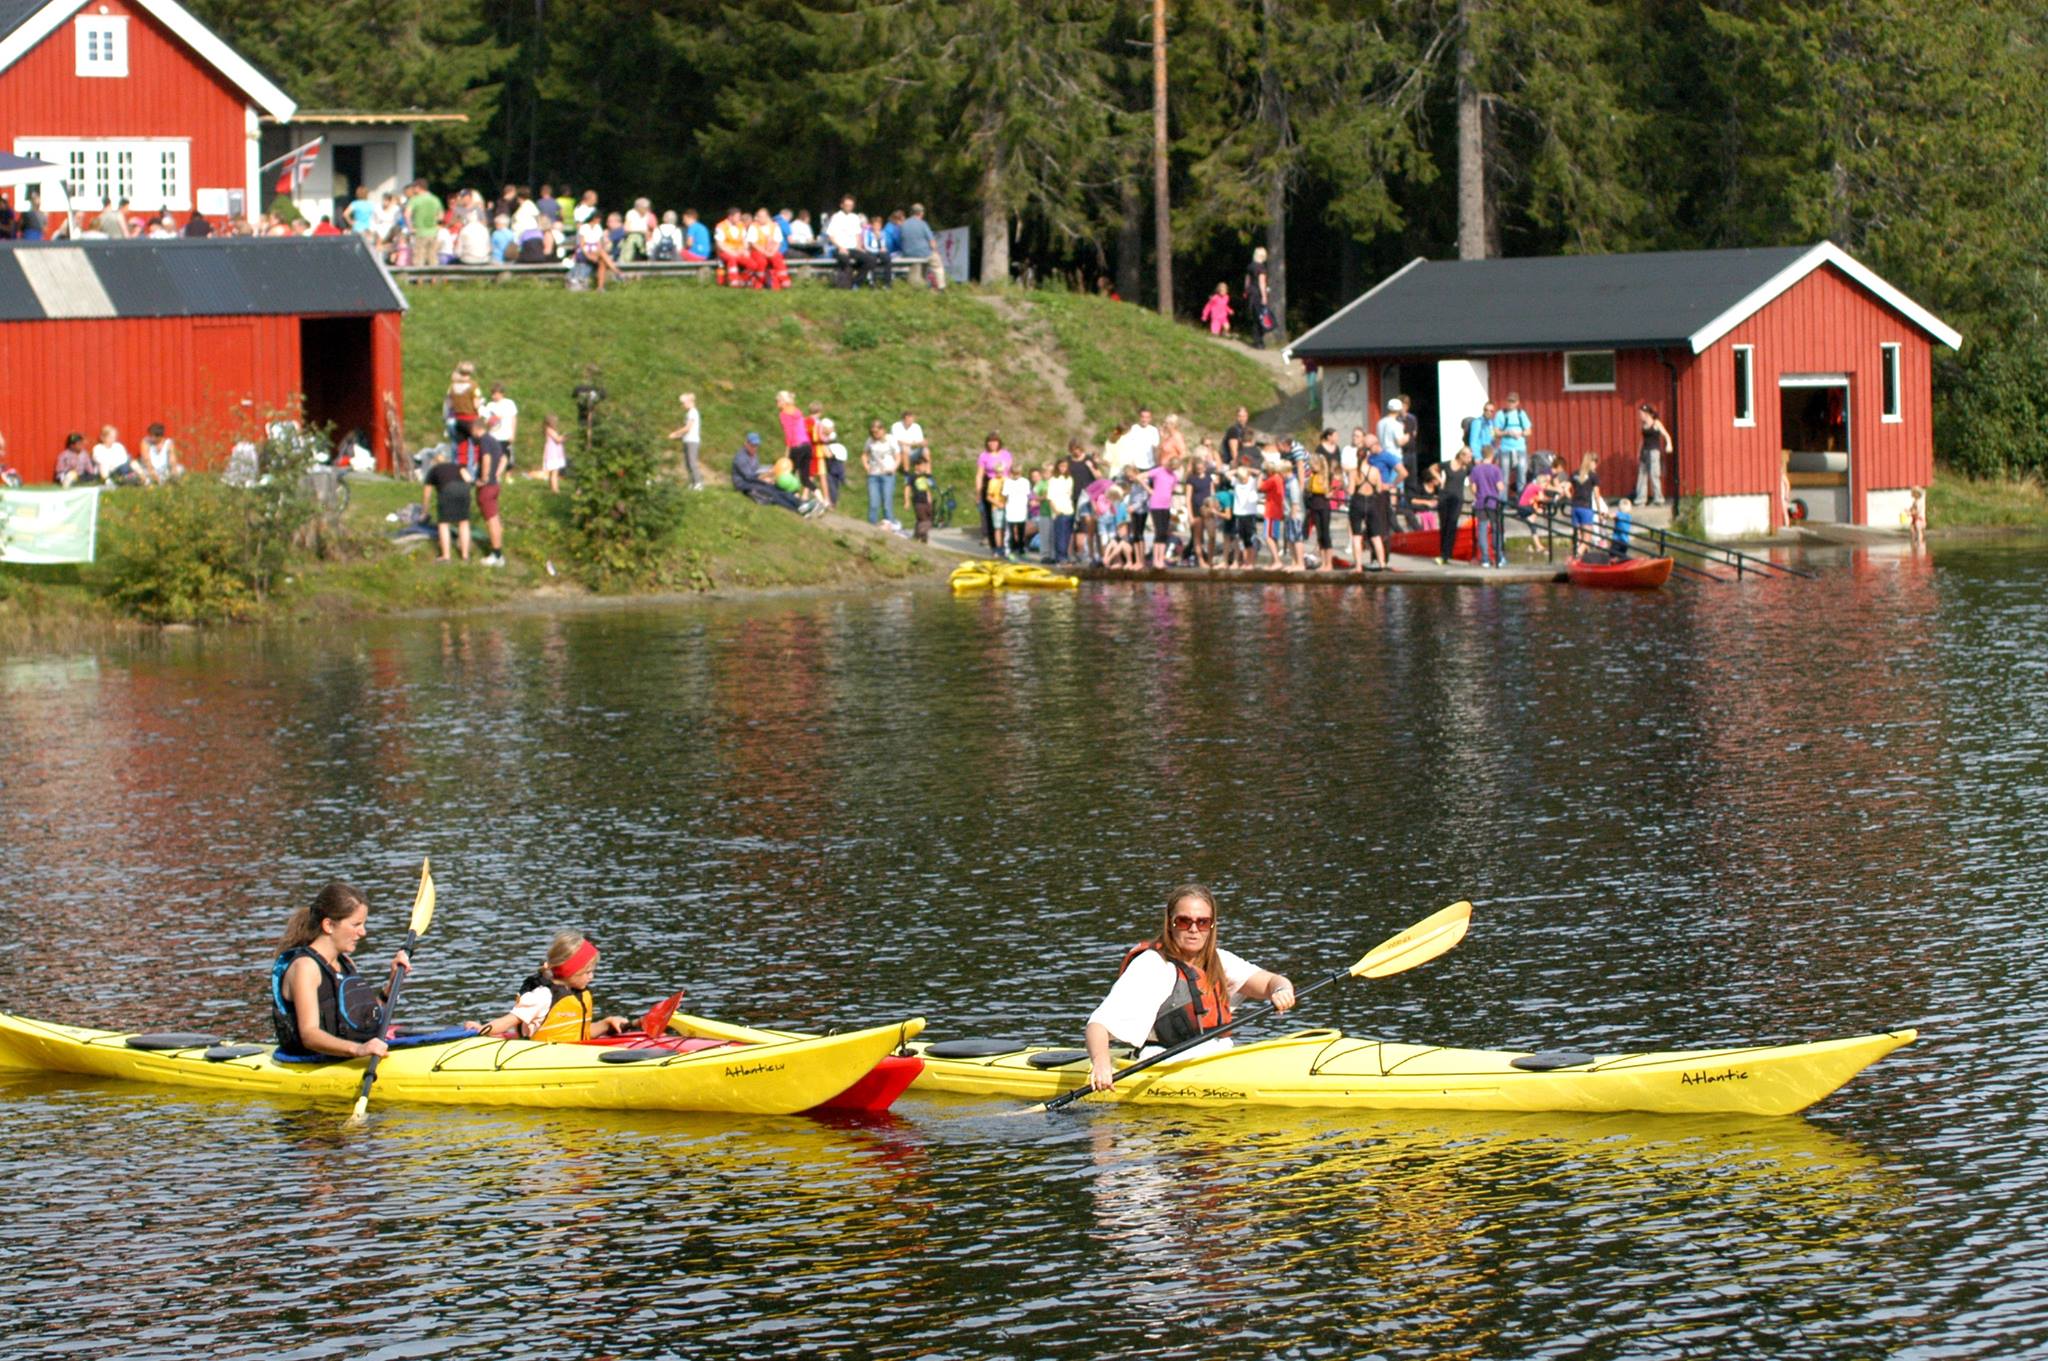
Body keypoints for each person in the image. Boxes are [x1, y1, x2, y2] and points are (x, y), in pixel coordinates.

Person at [1083, 884, 1295, 1090]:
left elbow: (1270, 982)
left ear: (1211, 926)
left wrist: (1281, 991)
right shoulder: (1152, 966)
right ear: (1169, 923)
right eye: (1184, 921)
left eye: (1203, 922)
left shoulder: (1218, 960)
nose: (1194, 929)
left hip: (1218, 1059)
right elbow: (1098, 1025)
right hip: (1165, 1066)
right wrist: (1101, 1064)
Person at [270, 881, 411, 1061]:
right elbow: (309, 1034)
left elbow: (357, 1019)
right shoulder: (305, 968)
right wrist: (358, 1049)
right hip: (312, 1062)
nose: (363, 932)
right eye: (356, 924)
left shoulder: (345, 963)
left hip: (346, 1055)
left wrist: (391, 984)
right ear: (328, 925)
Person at [480, 931, 631, 1042]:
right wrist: (481, 1030)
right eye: (588, 972)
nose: (592, 977)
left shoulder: (576, 993)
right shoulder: (543, 996)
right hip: (542, 1058)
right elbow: (508, 1021)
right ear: (570, 971)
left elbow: (578, 1033)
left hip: (572, 1054)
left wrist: (606, 1023)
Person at [732, 431, 818, 515]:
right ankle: (797, 509)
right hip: (744, 484)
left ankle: (801, 503)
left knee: (778, 488)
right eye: (753, 445)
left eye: (757, 445)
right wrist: (767, 475)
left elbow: (757, 469)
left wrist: (770, 469)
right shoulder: (740, 458)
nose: (755, 448)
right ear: (746, 443)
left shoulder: (754, 455)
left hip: (755, 480)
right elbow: (749, 477)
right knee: (772, 494)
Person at [423, 447, 473, 562]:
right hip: (464, 490)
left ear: (435, 460)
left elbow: (427, 494)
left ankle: (446, 556)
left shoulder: (433, 470)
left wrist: (424, 511)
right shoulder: (457, 467)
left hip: (447, 490)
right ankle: (465, 556)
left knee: (444, 524)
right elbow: (469, 479)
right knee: (464, 522)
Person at [974, 432, 1012, 554]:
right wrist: (978, 492)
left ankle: (1008, 544)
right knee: (991, 517)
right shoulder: (984, 456)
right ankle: (994, 545)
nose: (992, 444)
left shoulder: (1006, 454)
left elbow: (1010, 472)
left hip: (1005, 484)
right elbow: (979, 475)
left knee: (1008, 515)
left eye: (995, 441)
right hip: (991, 484)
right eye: (990, 441)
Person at [1470, 445, 1506, 568]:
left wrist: (1478, 495)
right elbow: (1500, 487)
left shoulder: (1476, 469)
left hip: (1481, 502)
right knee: (1496, 529)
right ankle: (1499, 556)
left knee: (1482, 529)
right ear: (1492, 455)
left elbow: (1473, 488)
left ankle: (1485, 559)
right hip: (1493, 503)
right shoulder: (1496, 470)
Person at [1435, 447, 1471, 564]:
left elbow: (1475, 478)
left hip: (1457, 499)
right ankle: (1443, 553)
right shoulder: (1448, 464)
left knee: (1452, 523)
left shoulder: (1467, 468)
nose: (1469, 459)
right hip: (1445, 497)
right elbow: (1433, 468)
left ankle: (1446, 554)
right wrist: (1440, 480)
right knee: (1444, 524)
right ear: (1461, 455)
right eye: (1467, 456)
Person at [863, 419, 899, 527]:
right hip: (873, 475)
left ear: (883, 430)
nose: (875, 434)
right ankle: (871, 524)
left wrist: (894, 468)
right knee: (873, 502)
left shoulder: (890, 439)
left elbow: (898, 456)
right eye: (873, 432)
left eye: (877, 432)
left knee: (887, 501)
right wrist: (867, 466)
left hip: (887, 474)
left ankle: (889, 524)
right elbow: (864, 454)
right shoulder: (870, 440)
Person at [1635, 403, 1671, 506]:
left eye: (1641, 413)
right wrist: (1639, 452)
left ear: (1646, 413)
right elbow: (1642, 440)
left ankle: (1658, 499)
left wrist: (1669, 444)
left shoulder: (1656, 423)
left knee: (1654, 474)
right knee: (1642, 475)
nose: (1640, 416)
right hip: (1645, 451)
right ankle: (1641, 499)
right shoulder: (1643, 425)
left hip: (1654, 451)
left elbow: (1666, 435)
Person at [1146, 454, 1179, 570]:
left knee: (1164, 532)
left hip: (1166, 505)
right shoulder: (1159, 471)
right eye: (1172, 467)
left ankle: (1161, 559)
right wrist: (1149, 490)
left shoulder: (1174, 476)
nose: (1172, 469)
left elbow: (1172, 489)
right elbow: (1140, 477)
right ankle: (1156, 559)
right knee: (1159, 531)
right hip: (1156, 505)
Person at [1496, 392, 1532, 492]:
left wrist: (1520, 433)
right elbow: (1496, 432)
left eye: (1513, 401)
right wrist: (1507, 432)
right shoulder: (1501, 414)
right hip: (1505, 448)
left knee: (1521, 475)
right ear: (1506, 401)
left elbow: (1529, 431)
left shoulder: (1521, 414)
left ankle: (1521, 503)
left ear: (1517, 402)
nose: (1511, 403)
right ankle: (1503, 503)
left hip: (1520, 448)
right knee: (1504, 477)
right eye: (1509, 401)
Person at [668, 392, 704, 489]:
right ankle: (693, 482)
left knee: (692, 462)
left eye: (683, 403)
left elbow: (687, 428)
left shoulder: (693, 412)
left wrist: (675, 434)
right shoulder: (689, 413)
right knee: (688, 462)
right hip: (687, 440)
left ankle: (698, 483)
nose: (682, 405)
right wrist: (679, 436)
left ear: (689, 402)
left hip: (692, 441)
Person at [1570, 452, 1604, 557]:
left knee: (1578, 534)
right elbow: (1597, 495)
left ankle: (1581, 554)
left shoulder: (1575, 474)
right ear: (1592, 462)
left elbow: (1567, 488)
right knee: (1587, 537)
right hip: (1586, 507)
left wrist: (1571, 498)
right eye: (1595, 462)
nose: (1596, 465)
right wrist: (1599, 512)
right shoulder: (1593, 476)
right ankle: (1577, 554)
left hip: (1575, 507)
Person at [1244, 247, 1275, 348]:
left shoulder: (1250, 266)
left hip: (1251, 294)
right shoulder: (1261, 268)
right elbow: (1262, 283)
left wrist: (1246, 291)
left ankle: (1256, 340)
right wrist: (1264, 296)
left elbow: (1247, 281)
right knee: (1262, 317)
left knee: (1255, 317)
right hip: (1258, 294)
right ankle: (1259, 342)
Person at [908, 454, 936, 543]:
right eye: (923, 466)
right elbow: (907, 488)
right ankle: (922, 535)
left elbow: (929, 487)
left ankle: (917, 535)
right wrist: (906, 500)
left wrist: (929, 498)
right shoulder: (912, 477)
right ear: (917, 466)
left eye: (926, 466)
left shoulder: (926, 477)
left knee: (925, 518)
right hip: (918, 501)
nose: (925, 468)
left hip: (926, 501)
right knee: (924, 519)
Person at [538, 412, 567, 492]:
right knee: (555, 473)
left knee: (552, 472)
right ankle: (555, 489)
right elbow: (558, 439)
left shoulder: (549, 430)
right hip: (553, 453)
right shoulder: (550, 430)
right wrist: (565, 437)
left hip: (553, 452)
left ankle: (552, 488)